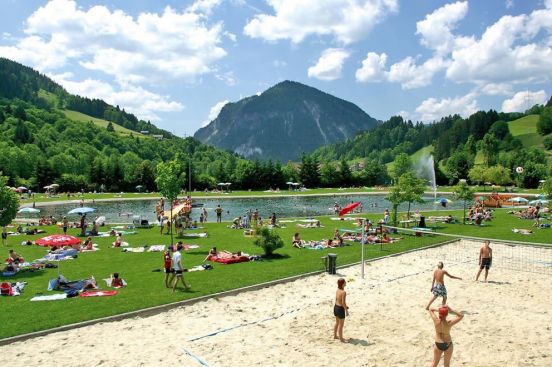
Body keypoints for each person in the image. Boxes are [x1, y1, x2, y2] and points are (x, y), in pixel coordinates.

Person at [333, 278, 349, 343]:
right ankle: (341, 338)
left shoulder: (337, 290)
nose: (346, 282)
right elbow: (343, 303)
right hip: (340, 309)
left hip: (335, 307)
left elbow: (337, 299)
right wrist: (346, 311)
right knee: (341, 325)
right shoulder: (343, 292)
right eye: (345, 282)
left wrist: (345, 306)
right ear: (342, 284)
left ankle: (335, 335)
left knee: (337, 323)